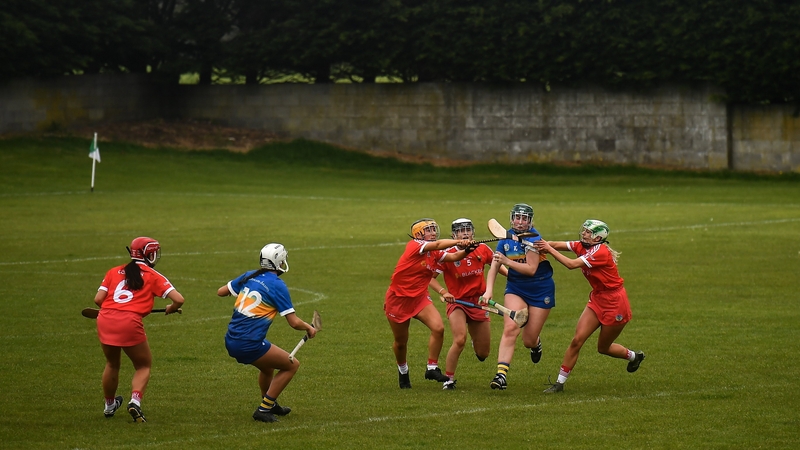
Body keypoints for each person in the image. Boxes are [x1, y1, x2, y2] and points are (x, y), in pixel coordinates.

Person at [534, 220, 645, 393]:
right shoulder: (583, 246)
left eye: (588, 232)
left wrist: (548, 249)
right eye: (584, 230)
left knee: (603, 348)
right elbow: (556, 244)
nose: (584, 234)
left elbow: (571, 265)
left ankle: (634, 356)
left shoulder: (600, 252)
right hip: (598, 299)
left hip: (615, 303)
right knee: (577, 340)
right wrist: (536, 244)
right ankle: (559, 383)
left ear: (598, 237)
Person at [217, 243, 317, 422]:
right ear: (280, 262)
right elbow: (293, 322)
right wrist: (309, 327)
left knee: (267, 367)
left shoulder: (249, 275)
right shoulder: (277, 285)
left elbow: (221, 292)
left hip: (231, 339)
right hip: (248, 343)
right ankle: (263, 410)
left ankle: (270, 403)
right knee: (292, 365)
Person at [93, 237, 185, 423]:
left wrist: (115, 309)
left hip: (105, 318)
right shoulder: (153, 275)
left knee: (112, 363)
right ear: (150, 254)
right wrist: (172, 308)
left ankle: (109, 405)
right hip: (129, 322)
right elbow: (179, 299)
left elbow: (98, 300)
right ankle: (135, 401)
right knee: (143, 365)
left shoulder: (113, 271)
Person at [385, 218, 476, 389]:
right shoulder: (415, 246)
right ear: (419, 234)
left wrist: (467, 249)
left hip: (419, 297)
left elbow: (454, 256)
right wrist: (459, 241)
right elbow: (438, 244)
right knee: (401, 342)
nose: (433, 232)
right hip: (398, 299)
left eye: (434, 229)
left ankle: (431, 367)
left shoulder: (434, 252)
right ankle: (403, 370)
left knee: (438, 328)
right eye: (429, 230)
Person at [429, 218, 508, 390]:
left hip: (479, 302)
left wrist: (511, 275)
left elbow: (495, 265)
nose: (465, 233)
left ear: (473, 232)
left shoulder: (482, 248)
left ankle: (476, 341)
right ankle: (448, 380)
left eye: (468, 230)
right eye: (460, 231)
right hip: (457, 302)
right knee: (459, 339)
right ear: (454, 234)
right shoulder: (447, 253)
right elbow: (430, 279)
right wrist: (444, 292)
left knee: (483, 353)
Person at [482, 203, 555, 390]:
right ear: (511, 218)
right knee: (510, 329)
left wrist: (507, 261)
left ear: (530, 221)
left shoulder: (534, 239)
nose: (520, 222)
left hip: (541, 290)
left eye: (524, 218)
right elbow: (495, 265)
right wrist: (488, 290)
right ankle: (501, 375)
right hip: (516, 288)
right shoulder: (505, 238)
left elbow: (531, 269)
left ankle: (536, 344)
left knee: (528, 339)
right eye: (517, 217)